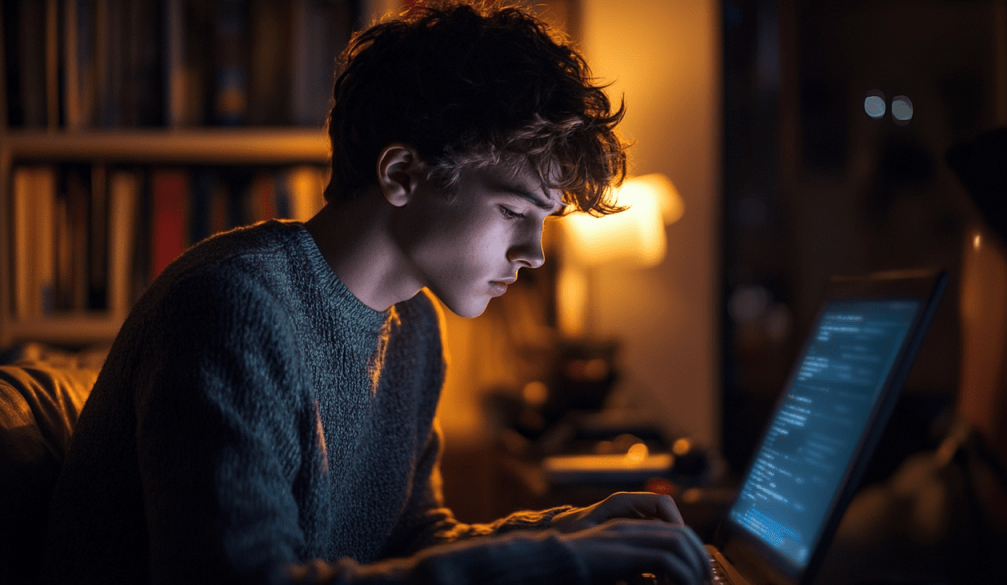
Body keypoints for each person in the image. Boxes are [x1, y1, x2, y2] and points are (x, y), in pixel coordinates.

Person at [45, 2, 712, 584]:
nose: (534, 253)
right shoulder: (232, 306)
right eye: (514, 211)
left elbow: (409, 540)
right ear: (402, 173)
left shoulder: (415, 324)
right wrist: (561, 565)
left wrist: (565, 533)